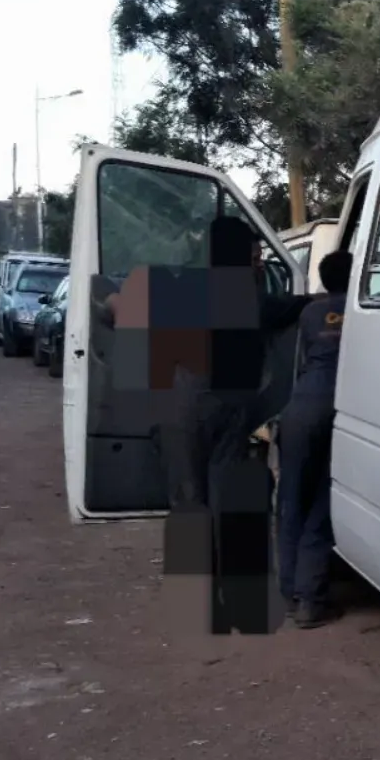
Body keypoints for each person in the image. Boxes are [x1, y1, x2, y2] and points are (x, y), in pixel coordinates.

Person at [96, 214, 311, 634]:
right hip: (220, 411)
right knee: (215, 502)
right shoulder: (253, 299)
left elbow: (114, 308)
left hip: (188, 411)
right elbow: (303, 305)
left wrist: (117, 308)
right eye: (254, 255)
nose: (258, 262)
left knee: (192, 502)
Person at [277, 249, 352, 629]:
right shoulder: (362, 311)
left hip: (299, 410)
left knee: (291, 499)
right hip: (338, 410)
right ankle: (310, 600)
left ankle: (289, 591)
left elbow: (300, 360)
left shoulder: (309, 313)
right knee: (322, 502)